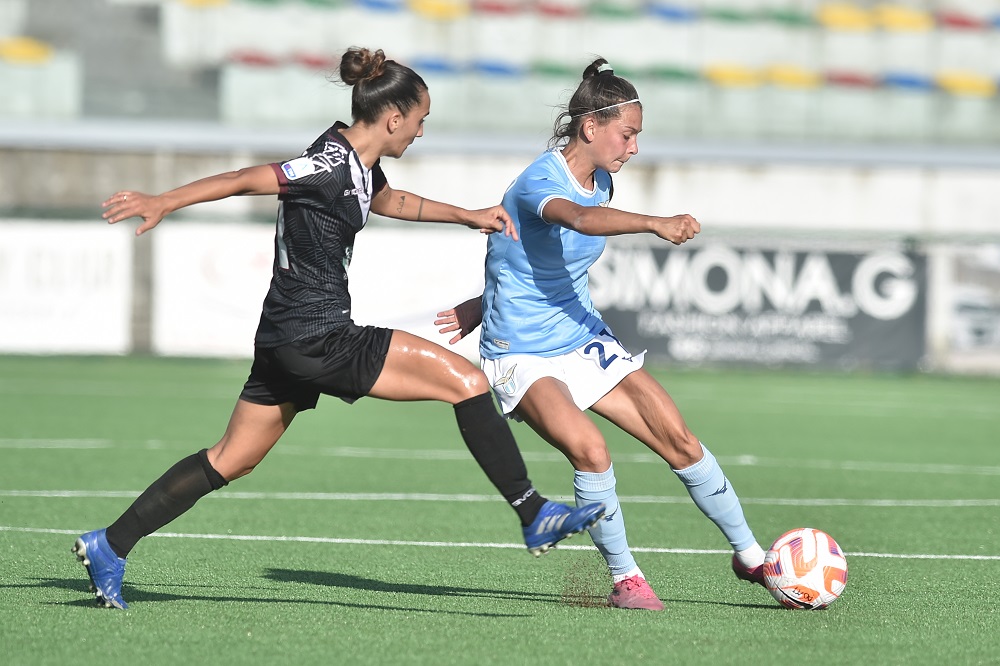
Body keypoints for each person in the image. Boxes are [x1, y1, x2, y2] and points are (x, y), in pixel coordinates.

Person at [72, 47, 605, 610]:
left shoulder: (358, 163)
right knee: (467, 382)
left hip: (285, 339)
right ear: (394, 116)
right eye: (421, 120)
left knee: (232, 457)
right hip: (317, 335)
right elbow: (246, 178)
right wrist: (164, 200)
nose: (421, 132)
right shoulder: (327, 162)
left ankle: (110, 545)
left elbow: (389, 199)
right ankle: (531, 511)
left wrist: (468, 215)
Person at [434, 58, 767, 611]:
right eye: (628, 134)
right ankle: (626, 579)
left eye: (638, 136)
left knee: (678, 438)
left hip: (581, 335)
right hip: (521, 353)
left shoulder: (604, 179)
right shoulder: (541, 179)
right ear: (591, 127)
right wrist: (656, 222)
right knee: (591, 451)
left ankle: (753, 556)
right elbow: (578, 223)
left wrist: (479, 301)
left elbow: (541, 256)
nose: (633, 148)